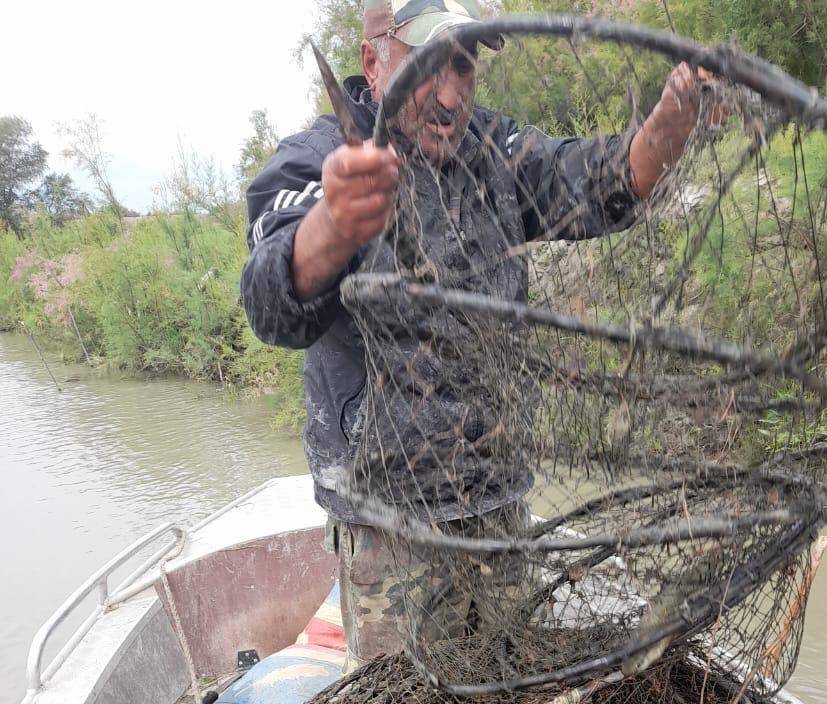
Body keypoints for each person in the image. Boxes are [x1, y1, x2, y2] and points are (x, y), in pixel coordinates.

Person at [241, 0, 710, 666]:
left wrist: (666, 130)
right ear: (374, 61)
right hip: (390, 526)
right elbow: (268, 301)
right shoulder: (315, 160)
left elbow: (592, 177)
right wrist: (334, 227)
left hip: (499, 509)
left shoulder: (493, 152)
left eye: (464, 67)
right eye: (429, 64)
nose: (451, 93)